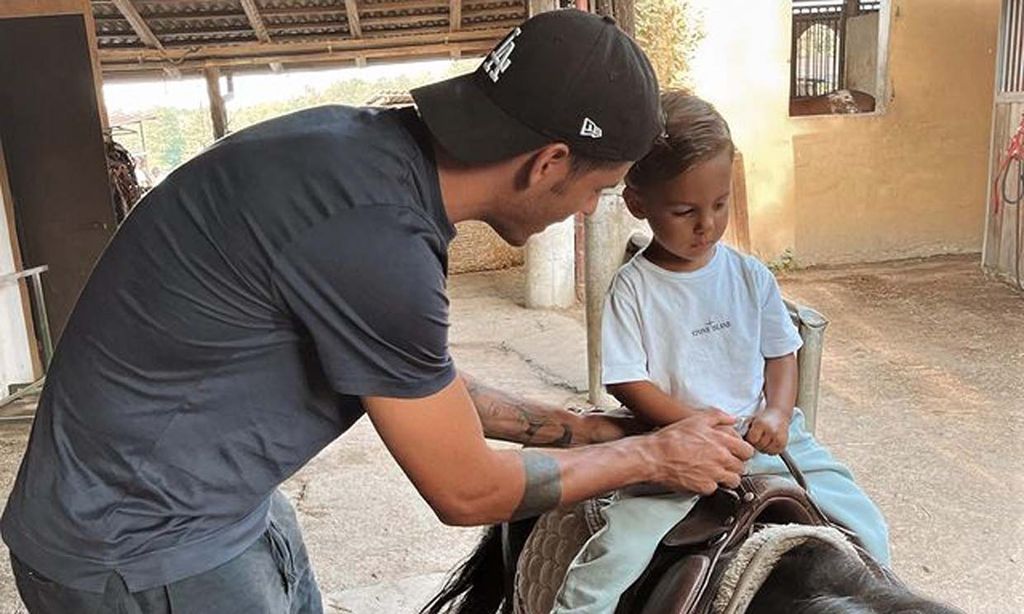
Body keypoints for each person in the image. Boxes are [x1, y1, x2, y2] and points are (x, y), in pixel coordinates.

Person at [1, 12, 755, 614]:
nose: (589, 211)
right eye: (600, 188)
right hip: (138, 551)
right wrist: (655, 456)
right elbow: (466, 491)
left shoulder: (360, 157)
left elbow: (416, 385)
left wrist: (594, 430)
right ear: (549, 162)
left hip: (218, 507)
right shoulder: (377, 235)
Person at [551, 91, 891, 614]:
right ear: (639, 204)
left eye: (719, 204)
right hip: (675, 443)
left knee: (866, 526)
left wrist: (777, 412)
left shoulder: (750, 276)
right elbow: (626, 380)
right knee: (612, 560)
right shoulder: (633, 288)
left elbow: (781, 353)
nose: (706, 224)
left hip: (765, 436)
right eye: (685, 210)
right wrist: (690, 424)